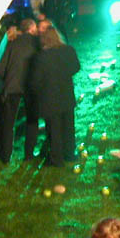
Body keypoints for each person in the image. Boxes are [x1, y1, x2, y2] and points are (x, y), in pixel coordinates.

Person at [28, 25, 80, 166]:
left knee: (54, 129)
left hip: (49, 99)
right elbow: (76, 67)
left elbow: (35, 81)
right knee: (68, 126)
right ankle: (69, 154)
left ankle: (57, 159)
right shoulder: (68, 50)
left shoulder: (41, 57)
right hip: (66, 95)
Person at [0, 18, 39, 163]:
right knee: (32, 119)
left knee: (8, 122)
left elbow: (1, 67)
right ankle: (29, 154)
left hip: (12, 85)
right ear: (31, 29)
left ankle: (6, 155)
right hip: (30, 85)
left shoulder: (12, 44)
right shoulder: (36, 43)